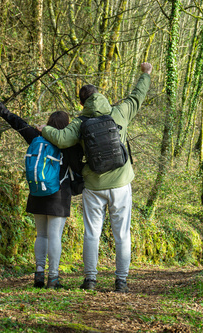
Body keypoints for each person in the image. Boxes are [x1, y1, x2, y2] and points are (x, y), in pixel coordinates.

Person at [39, 62, 153, 293]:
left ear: (81, 103)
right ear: (101, 96)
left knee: (92, 233)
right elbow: (138, 95)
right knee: (122, 234)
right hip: (121, 183)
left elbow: (60, 139)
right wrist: (146, 74)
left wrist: (44, 129)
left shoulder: (80, 123)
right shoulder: (120, 111)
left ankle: (90, 280)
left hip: (93, 184)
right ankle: (121, 281)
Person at [0, 97, 77, 289]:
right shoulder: (68, 143)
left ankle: (39, 273)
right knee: (55, 236)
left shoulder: (35, 137)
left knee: (41, 235)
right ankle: (53, 278)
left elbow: (17, 123)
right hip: (59, 194)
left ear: (48, 124)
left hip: (37, 191)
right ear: (66, 126)